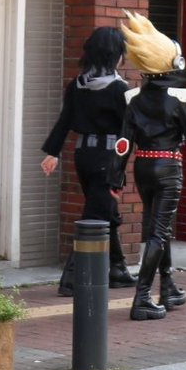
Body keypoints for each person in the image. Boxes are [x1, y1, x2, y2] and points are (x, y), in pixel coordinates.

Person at [109, 11, 186, 321]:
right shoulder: (179, 97)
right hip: (168, 167)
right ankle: (142, 298)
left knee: (157, 227)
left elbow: (123, 142)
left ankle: (169, 286)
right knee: (159, 232)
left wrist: (115, 177)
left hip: (142, 167)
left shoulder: (134, 97)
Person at [41, 26, 136, 296]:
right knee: (95, 215)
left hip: (83, 156)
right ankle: (71, 278)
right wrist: (119, 173)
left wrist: (53, 152)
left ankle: (117, 270)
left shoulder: (78, 84)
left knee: (105, 210)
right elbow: (127, 133)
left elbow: (65, 121)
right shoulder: (119, 89)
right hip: (108, 157)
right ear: (115, 55)